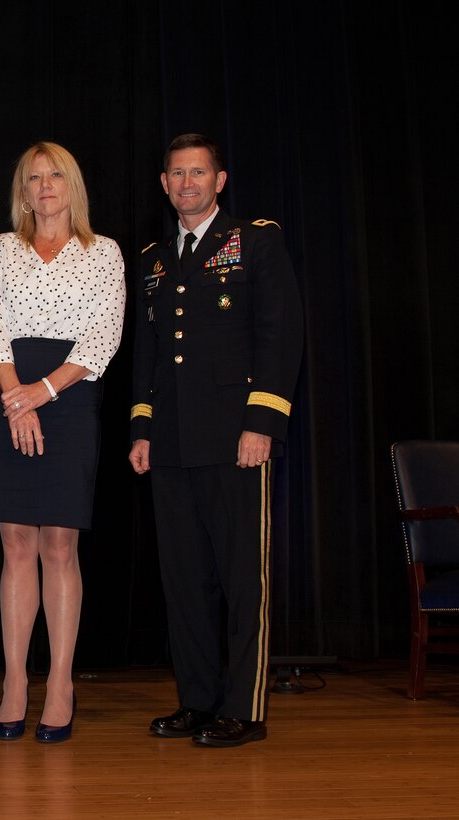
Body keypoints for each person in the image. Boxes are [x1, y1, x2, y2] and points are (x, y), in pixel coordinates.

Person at [128, 133, 303, 747]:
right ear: (164, 183)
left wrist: (263, 423)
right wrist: (142, 427)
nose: (188, 184)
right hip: (172, 443)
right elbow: (148, 354)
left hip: (236, 438)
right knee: (184, 580)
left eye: (199, 173)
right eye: (177, 174)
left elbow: (280, 337)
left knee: (241, 579)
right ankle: (198, 701)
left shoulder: (255, 242)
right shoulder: (153, 258)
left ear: (220, 180)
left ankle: (245, 709)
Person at [0, 142, 126, 743]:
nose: (44, 187)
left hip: (68, 398)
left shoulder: (104, 253)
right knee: (16, 545)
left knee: (59, 547)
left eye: (55, 176)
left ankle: (60, 682)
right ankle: (15, 681)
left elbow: (102, 339)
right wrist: (17, 398)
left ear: (73, 186)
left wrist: (41, 394)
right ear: (22, 190)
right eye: (33, 178)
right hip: (8, 392)